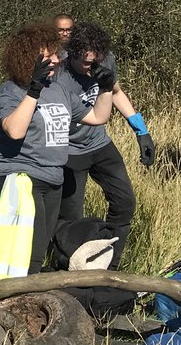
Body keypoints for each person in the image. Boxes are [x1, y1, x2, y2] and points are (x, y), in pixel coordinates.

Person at [0, 21, 113, 274]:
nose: (56, 59)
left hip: (53, 175)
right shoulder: (9, 92)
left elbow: (98, 117)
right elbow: (15, 130)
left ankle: (30, 297)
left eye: (55, 54)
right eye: (49, 55)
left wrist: (106, 89)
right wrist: (34, 90)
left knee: (40, 247)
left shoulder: (58, 89)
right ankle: (15, 299)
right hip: (19, 174)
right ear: (29, 58)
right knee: (28, 247)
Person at [56, 22, 152, 267]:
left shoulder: (104, 60)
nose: (93, 68)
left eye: (96, 61)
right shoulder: (61, 75)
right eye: (87, 63)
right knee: (71, 217)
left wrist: (140, 130)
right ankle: (70, 268)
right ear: (73, 53)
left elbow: (116, 92)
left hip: (99, 144)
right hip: (70, 151)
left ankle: (111, 262)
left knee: (124, 202)